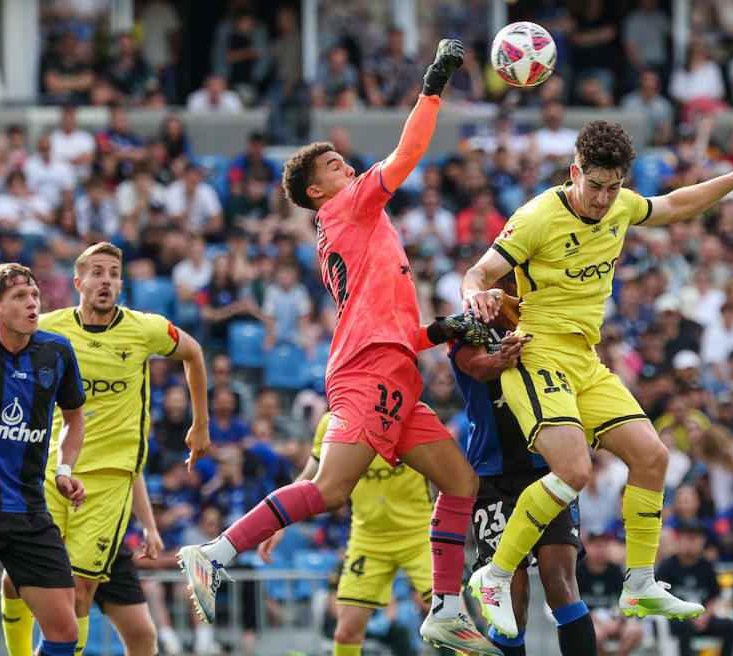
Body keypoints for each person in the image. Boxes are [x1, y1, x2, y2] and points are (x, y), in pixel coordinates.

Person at [176, 40, 501, 655]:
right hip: (368, 369)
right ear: (318, 191)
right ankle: (214, 553)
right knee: (330, 491)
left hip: (394, 369)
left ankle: (446, 608)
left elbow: (403, 331)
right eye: (331, 164)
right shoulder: (352, 209)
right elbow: (408, 152)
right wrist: (433, 83)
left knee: (460, 484)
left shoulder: (360, 226)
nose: (345, 165)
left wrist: (448, 329)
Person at [461, 115, 733, 637]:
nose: (605, 199)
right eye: (596, 186)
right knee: (575, 471)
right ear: (574, 171)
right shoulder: (539, 215)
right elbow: (478, 272)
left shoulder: (622, 206)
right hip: (537, 353)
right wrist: (476, 294)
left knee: (652, 456)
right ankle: (493, 576)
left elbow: (674, 205)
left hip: (586, 359)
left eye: (614, 187)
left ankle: (640, 582)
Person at [0, 242, 211, 656]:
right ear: (78, 282)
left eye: (114, 273)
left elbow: (194, 352)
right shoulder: (48, 328)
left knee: (78, 589)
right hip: (51, 470)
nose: (106, 280)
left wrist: (200, 423)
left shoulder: (145, 329)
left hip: (110, 482)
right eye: (97, 272)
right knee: (15, 579)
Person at [0, 264, 87, 656]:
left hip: (27, 510)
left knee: (63, 630)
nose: (32, 304)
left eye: (35, 296)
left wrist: (63, 469)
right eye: (20, 297)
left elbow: (74, 418)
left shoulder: (56, 352)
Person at [451, 274, 597, 656]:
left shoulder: (548, 320)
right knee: (510, 599)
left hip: (548, 468)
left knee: (560, 580)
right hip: (494, 477)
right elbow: (474, 367)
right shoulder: (467, 324)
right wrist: (500, 359)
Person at [259, 412, 432, 656]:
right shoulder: (332, 422)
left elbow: (449, 475)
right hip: (367, 539)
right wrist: (280, 521)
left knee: (455, 622)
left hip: (420, 536)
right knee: (346, 632)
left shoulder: (413, 415)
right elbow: (310, 478)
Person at [90, 474, 174, 656]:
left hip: (113, 547)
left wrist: (150, 528)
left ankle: (169, 637)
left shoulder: (171, 529)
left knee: (143, 636)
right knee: (65, 633)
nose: (157, 514)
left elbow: (133, 471)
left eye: (159, 511)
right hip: (76, 537)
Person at [658, 520, 733, 656]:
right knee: (685, 627)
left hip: (703, 617)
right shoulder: (667, 566)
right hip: (677, 619)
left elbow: (715, 596)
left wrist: (705, 616)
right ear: (679, 540)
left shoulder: (707, 567)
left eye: (696, 539)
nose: (691, 543)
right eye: (688, 538)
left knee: (732, 626)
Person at [576, 532, 642, 656]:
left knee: (635, 630)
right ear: (586, 547)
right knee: (593, 634)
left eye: (604, 545)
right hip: (589, 620)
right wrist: (597, 622)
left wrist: (618, 621)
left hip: (615, 618)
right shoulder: (578, 572)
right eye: (596, 545)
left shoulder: (616, 571)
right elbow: (574, 604)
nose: (600, 550)